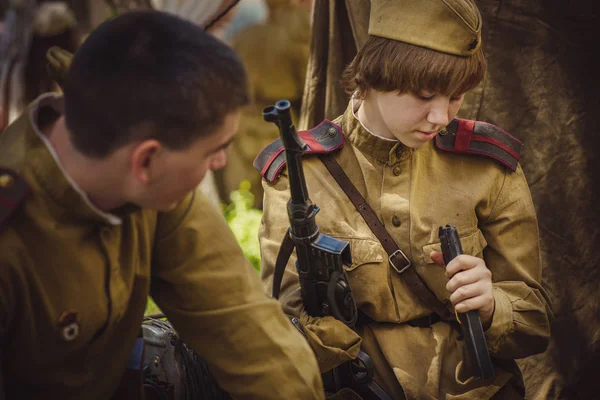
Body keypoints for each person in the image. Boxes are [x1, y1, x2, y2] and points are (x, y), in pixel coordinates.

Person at [0, 10, 324, 399]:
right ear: (145, 161)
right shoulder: (11, 238)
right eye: (214, 151)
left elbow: (245, 328)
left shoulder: (154, 184)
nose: (220, 163)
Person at [257, 0, 552, 398]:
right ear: (373, 77)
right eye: (426, 95)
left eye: (456, 97)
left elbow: (534, 324)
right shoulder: (299, 174)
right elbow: (282, 326)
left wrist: (491, 305)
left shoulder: (488, 166)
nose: (441, 117)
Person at [219, 0, 313, 207]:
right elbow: (310, 83)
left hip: (244, 122)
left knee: (242, 198)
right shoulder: (295, 41)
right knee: (278, 197)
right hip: (279, 124)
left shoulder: (245, 35)